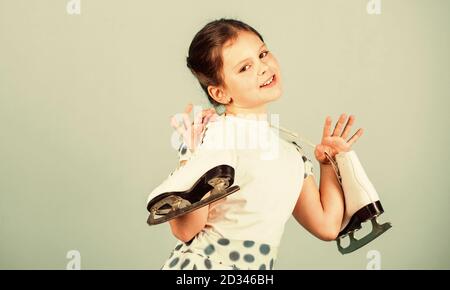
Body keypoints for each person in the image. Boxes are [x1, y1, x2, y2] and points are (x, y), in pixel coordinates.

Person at [150, 18, 364, 270]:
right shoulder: (208, 136)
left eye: (262, 54)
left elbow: (328, 226)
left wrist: (328, 164)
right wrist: (193, 159)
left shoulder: (291, 153)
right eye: (244, 68)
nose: (263, 67)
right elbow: (185, 230)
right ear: (219, 93)